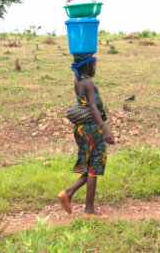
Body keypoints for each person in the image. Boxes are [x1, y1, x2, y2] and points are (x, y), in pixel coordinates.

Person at [57, 53, 115, 218]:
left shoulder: (78, 81)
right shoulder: (88, 83)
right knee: (94, 167)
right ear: (88, 66)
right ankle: (88, 210)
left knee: (91, 166)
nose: (95, 68)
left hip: (81, 129)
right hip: (92, 129)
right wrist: (105, 129)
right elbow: (94, 108)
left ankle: (68, 193)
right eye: (94, 65)